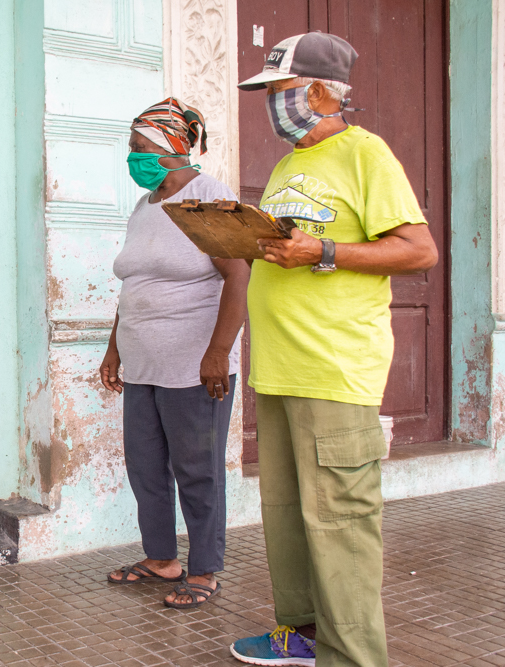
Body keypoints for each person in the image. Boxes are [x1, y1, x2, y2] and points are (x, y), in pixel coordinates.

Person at [228, 33, 438, 666]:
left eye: (280, 91)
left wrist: (320, 252)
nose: (271, 105)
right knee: (289, 515)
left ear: (320, 92)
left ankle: (353, 657)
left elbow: (418, 249)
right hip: (281, 366)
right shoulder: (294, 163)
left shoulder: (365, 152)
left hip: (333, 368)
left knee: (341, 522)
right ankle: (303, 635)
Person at [100, 98, 250, 609]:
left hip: (195, 365)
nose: (133, 158)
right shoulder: (143, 209)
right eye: (131, 148)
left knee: (198, 469)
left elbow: (238, 277)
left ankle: (206, 567)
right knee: (146, 467)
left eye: (141, 148)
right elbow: (134, 284)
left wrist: (218, 352)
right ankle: (162, 558)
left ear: (172, 150)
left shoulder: (210, 198)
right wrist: (112, 349)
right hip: (142, 362)